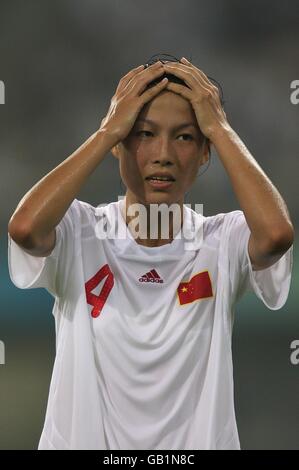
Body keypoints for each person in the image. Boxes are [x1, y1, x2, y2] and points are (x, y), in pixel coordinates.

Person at [8, 53, 294, 450]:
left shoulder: (222, 241)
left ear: (207, 151)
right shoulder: (80, 231)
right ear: (117, 142)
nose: (163, 154)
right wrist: (106, 131)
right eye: (143, 133)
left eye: (185, 136)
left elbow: (277, 236)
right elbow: (24, 229)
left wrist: (221, 127)